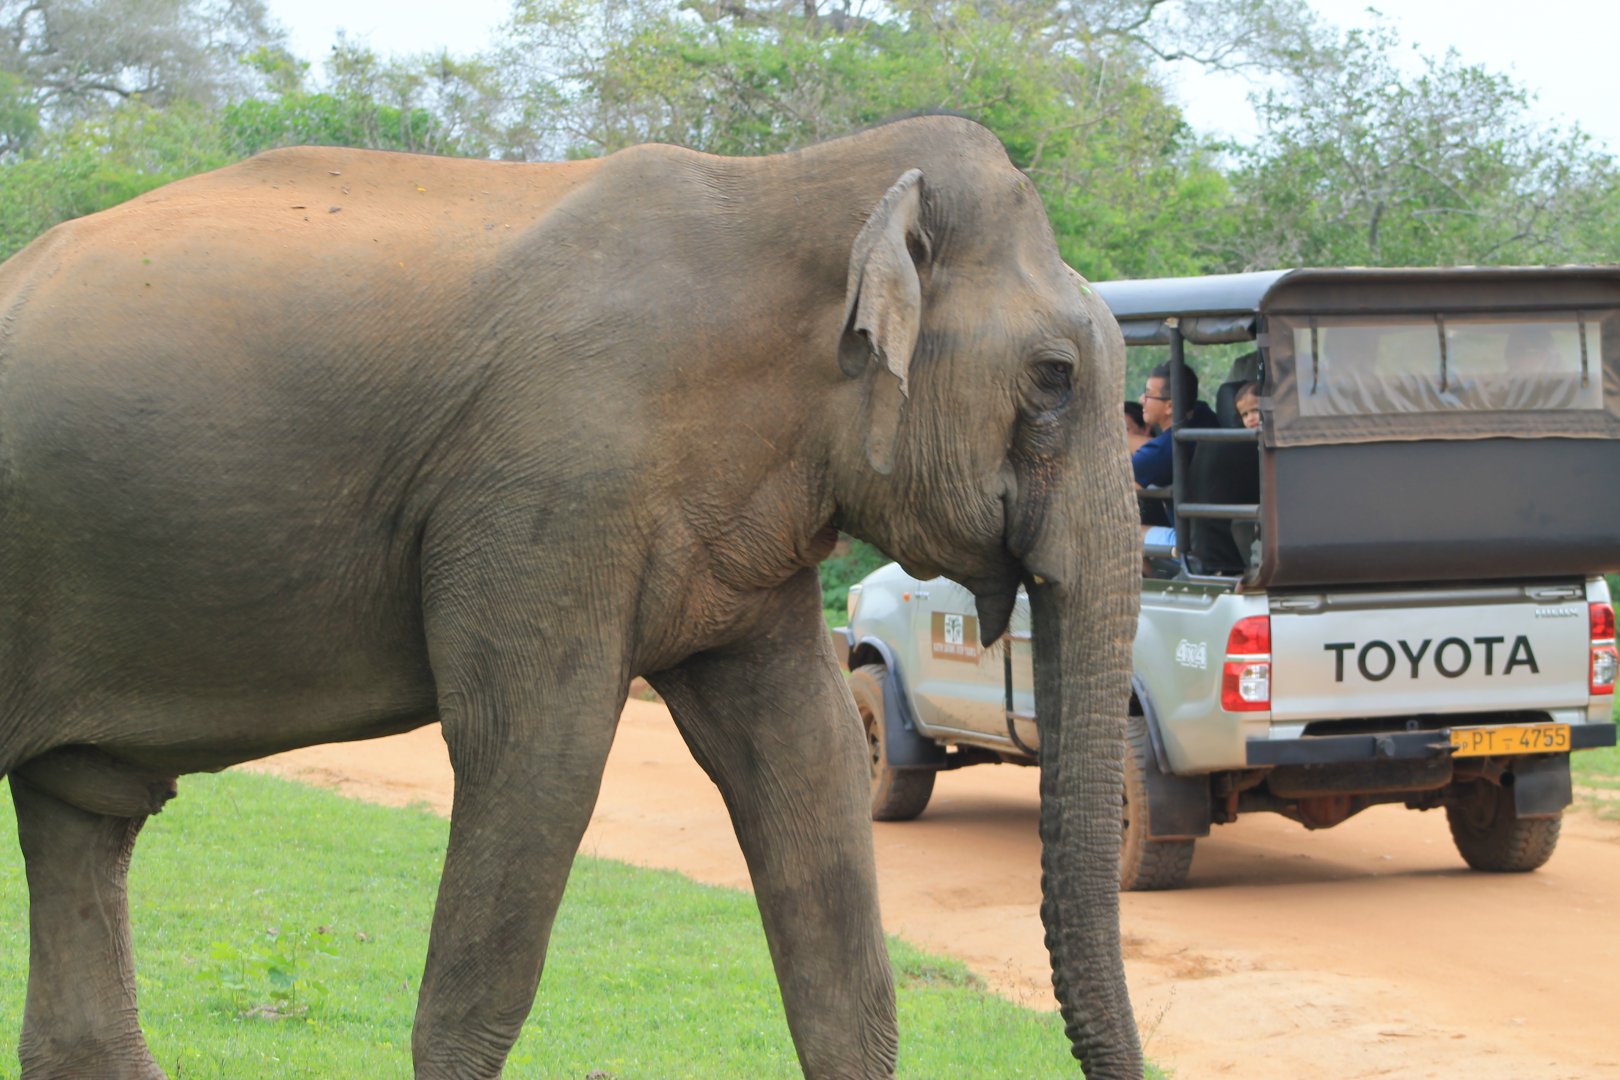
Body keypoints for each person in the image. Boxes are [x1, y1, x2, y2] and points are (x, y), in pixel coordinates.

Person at [1132, 362, 1218, 492]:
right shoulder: (1203, 414)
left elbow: (1117, 479)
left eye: (1148, 394)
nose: (1141, 400)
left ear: (1170, 406)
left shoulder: (1162, 450)